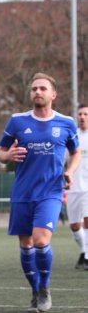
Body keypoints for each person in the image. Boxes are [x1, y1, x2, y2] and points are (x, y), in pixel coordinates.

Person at [0, 72, 80, 312]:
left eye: (43, 88)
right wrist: (8, 156)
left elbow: (75, 152)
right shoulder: (17, 121)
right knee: (25, 245)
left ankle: (44, 287)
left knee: (41, 240)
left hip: (50, 191)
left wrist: (70, 172)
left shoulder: (66, 123)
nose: (38, 92)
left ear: (53, 94)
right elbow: (1, 153)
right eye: (34, 89)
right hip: (22, 192)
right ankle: (35, 289)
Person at [65, 104, 88, 270]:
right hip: (73, 188)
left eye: (86, 114)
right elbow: (63, 161)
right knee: (74, 226)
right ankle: (84, 251)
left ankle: (87, 256)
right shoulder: (72, 137)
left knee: (87, 221)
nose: (82, 117)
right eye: (80, 114)